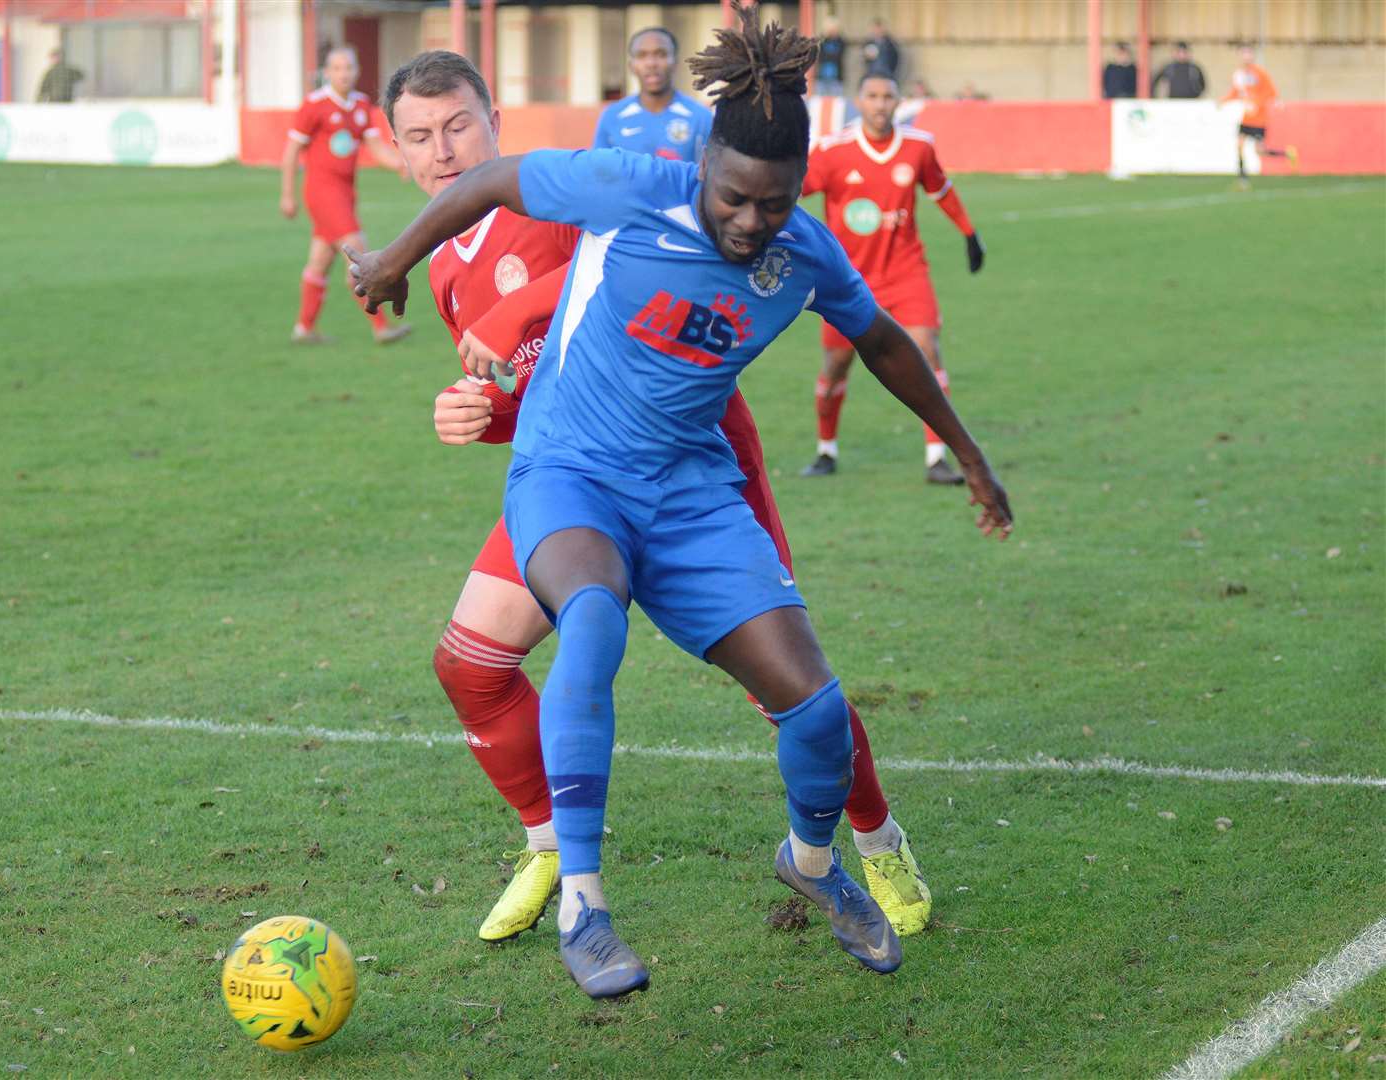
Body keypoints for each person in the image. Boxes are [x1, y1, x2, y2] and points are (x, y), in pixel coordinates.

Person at [350, 3, 1013, 999]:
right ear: (703, 167)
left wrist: (966, 454)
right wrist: (388, 262)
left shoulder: (805, 254)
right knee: (586, 621)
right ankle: (582, 900)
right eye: (736, 198)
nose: (751, 223)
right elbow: (492, 180)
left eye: (775, 203)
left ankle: (817, 862)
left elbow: (879, 340)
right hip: (569, 473)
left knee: (815, 708)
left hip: (692, 488)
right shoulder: (631, 185)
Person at [799, 74, 985, 484]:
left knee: (927, 351)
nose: (880, 105)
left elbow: (941, 190)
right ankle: (826, 450)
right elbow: (790, 193)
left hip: (905, 271)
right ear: (858, 101)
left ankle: (937, 458)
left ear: (898, 102)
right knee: (836, 366)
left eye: (888, 97)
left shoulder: (918, 146)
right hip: (848, 281)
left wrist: (969, 233)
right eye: (872, 97)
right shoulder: (832, 152)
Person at [279, 47, 412, 346]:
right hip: (322, 193)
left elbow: (375, 147)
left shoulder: (361, 105)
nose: (344, 73)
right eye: (337, 68)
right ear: (328, 73)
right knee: (359, 255)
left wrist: (400, 164)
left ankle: (304, 328)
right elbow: (290, 153)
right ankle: (381, 327)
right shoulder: (314, 105)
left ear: (357, 70)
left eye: (349, 67)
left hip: (345, 193)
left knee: (320, 261)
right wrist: (288, 195)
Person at [593, 27, 712, 162]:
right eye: (642, 55)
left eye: (661, 54)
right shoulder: (612, 117)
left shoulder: (701, 117)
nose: (651, 63)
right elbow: (599, 173)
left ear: (675, 62)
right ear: (631, 65)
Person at [1220, 44, 1297, 186]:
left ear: (1252, 56)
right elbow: (1236, 92)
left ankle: (1287, 154)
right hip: (1247, 118)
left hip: (1259, 119)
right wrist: (1224, 101)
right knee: (1239, 144)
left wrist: (1257, 104)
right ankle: (1242, 178)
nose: (1245, 56)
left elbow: (1271, 92)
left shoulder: (1260, 74)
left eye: (1248, 53)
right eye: (1243, 53)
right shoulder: (1239, 74)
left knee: (1260, 151)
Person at [815, 18, 846, 98]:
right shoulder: (822, 41)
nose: (832, 31)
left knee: (837, 101)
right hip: (822, 76)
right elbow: (820, 55)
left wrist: (828, 55)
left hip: (836, 77)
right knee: (820, 100)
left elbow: (838, 56)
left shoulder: (840, 42)